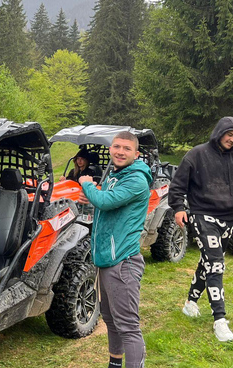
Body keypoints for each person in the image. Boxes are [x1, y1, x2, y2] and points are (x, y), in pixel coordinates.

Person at [169, 117, 233, 342]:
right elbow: (178, 184)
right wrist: (178, 208)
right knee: (216, 264)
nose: (231, 140)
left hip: (229, 217)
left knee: (208, 262)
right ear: (220, 132)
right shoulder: (197, 154)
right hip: (202, 214)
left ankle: (190, 303)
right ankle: (220, 320)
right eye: (229, 135)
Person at [78, 131, 151, 368]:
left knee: (128, 326)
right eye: (117, 147)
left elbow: (106, 202)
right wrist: (91, 196)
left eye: (126, 148)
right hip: (107, 260)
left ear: (136, 154)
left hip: (123, 261)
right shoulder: (116, 174)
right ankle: (115, 364)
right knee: (110, 319)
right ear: (111, 149)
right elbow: (106, 202)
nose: (120, 151)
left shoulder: (136, 179)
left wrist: (88, 186)